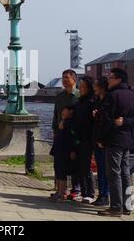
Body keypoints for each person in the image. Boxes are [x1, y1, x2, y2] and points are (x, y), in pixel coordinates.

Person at [98, 68, 134, 217]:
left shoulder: (113, 96)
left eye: (111, 77)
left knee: (113, 173)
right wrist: (126, 121)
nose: (108, 80)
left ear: (118, 79)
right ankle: (128, 206)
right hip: (128, 139)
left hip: (114, 139)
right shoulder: (133, 95)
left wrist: (101, 139)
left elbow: (106, 120)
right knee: (125, 172)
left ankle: (116, 207)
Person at [51, 69, 81, 201]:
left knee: (74, 161)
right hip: (60, 132)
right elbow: (56, 114)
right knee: (59, 162)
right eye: (63, 78)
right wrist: (54, 130)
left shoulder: (79, 96)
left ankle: (76, 189)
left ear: (74, 79)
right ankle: (61, 189)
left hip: (74, 133)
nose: (64, 80)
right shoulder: (60, 96)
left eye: (67, 78)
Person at [49, 106, 79, 202]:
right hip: (59, 149)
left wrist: (73, 150)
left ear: (70, 111)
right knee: (57, 170)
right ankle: (59, 191)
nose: (62, 112)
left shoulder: (71, 123)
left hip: (65, 150)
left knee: (62, 171)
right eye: (62, 111)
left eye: (64, 111)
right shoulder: (63, 122)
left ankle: (62, 193)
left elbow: (74, 138)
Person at [74, 76, 95, 204]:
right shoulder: (79, 101)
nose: (80, 89)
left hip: (88, 137)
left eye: (83, 87)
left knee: (87, 167)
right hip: (78, 137)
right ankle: (83, 191)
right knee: (80, 166)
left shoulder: (92, 101)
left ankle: (90, 193)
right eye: (79, 86)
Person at [91, 76, 110, 206]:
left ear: (102, 87)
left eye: (96, 86)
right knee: (101, 168)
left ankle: (105, 195)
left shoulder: (108, 101)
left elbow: (107, 122)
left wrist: (102, 139)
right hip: (97, 139)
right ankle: (101, 194)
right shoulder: (98, 100)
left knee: (104, 169)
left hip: (103, 141)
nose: (94, 88)